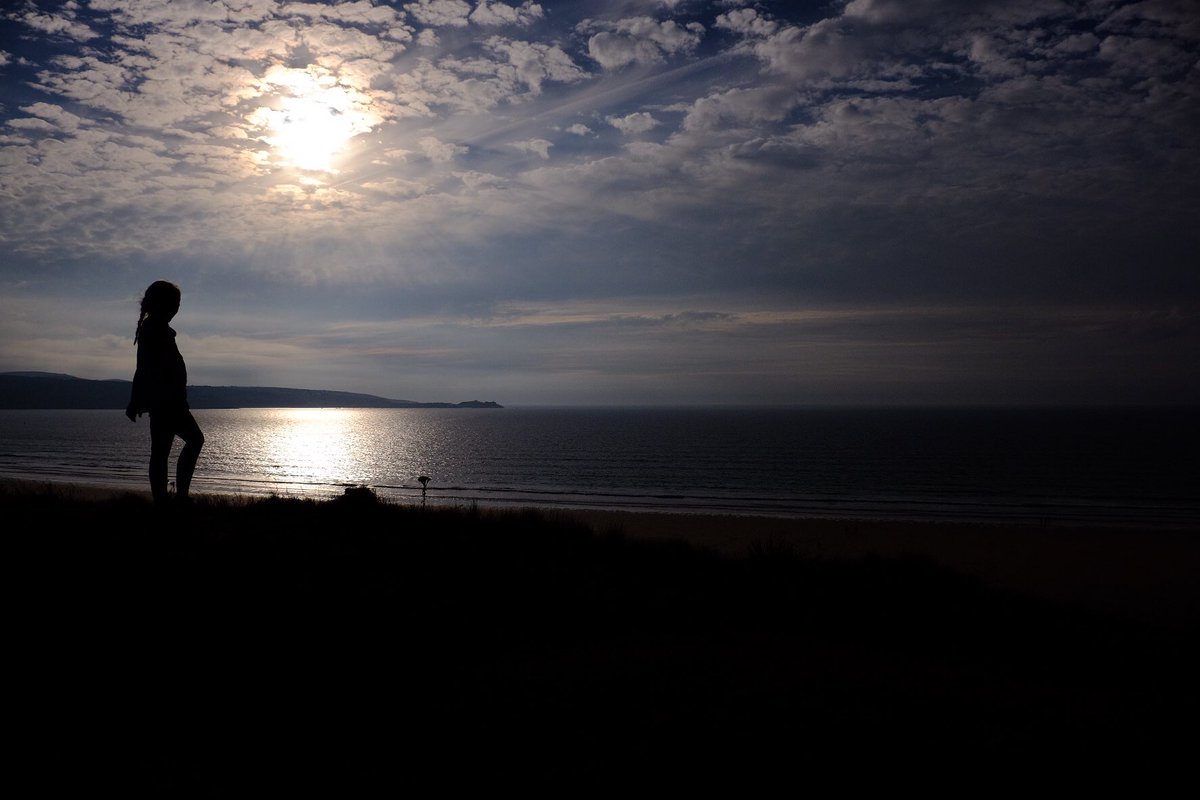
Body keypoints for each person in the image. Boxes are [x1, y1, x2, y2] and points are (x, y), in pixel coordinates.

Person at [125, 280, 204, 505]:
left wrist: (137, 399)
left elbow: (144, 368)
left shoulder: (158, 328)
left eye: (178, 304)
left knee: (161, 450)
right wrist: (135, 400)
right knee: (193, 440)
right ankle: (176, 497)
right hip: (167, 401)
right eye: (174, 303)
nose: (177, 308)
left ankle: (166, 499)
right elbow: (143, 368)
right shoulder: (154, 329)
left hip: (168, 400)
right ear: (162, 304)